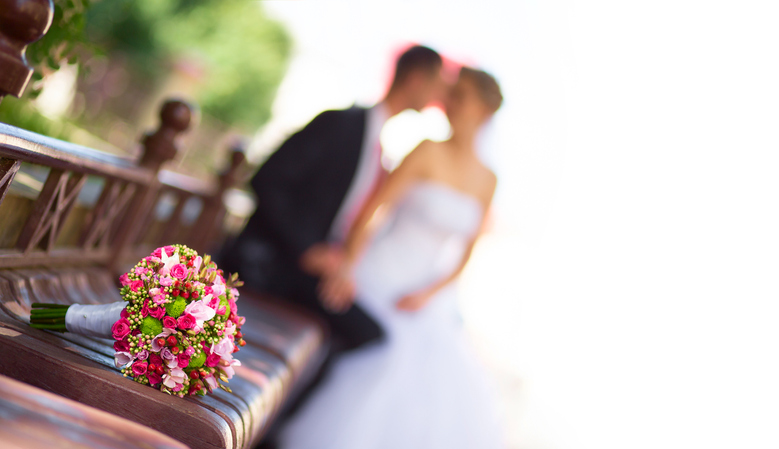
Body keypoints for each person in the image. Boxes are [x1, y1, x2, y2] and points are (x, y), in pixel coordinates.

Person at [277, 67, 506, 449]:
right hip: (376, 274)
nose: (449, 103)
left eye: (461, 96)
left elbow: (467, 253)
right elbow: (371, 212)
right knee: (376, 353)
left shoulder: (489, 180)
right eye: (449, 94)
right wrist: (347, 265)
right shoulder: (427, 148)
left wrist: (430, 293)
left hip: (422, 296)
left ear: (483, 110)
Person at [222, 45, 444, 352]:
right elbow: (267, 179)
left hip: (311, 271)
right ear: (417, 79)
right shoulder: (342, 123)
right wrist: (309, 248)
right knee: (368, 334)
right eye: (437, 85)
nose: (439, 97)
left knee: (368, 332)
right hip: (276, 263)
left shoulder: (378, 149)